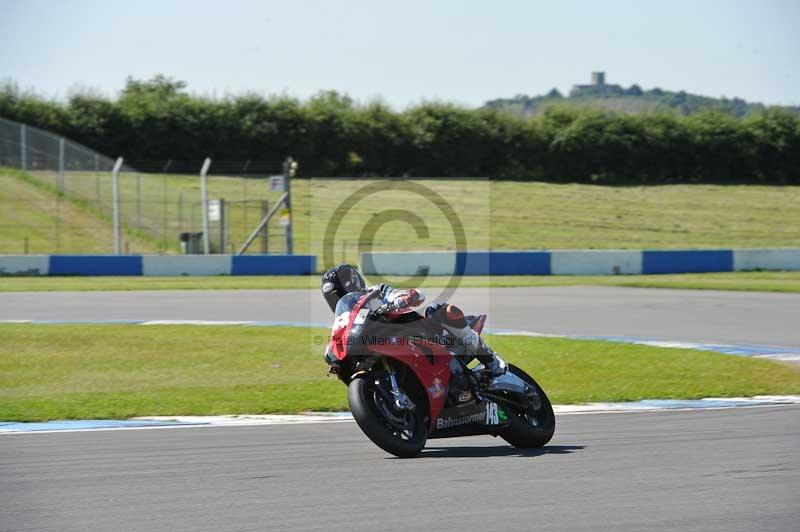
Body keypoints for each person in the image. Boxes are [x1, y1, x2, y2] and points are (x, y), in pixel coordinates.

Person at [321, 264, 507, 377]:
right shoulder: (343, 322)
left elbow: (415, 295)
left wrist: (403, 298)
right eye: (332, 298)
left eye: (338, 294)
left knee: (441, 310)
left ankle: (489, 357)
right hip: (384, 349)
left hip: (416, 334)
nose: (337, 300)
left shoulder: (376, 292)